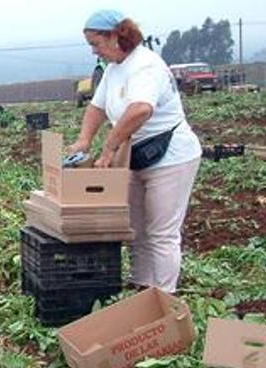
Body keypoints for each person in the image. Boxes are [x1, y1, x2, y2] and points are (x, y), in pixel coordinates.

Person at [67, 9, 202, 294]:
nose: (95, 51)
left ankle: (164, 297)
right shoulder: (115, 68)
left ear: (117, 36)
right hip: (136, 156)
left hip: (170, 157)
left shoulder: (145, 65)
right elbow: (97, 107)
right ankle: (141, 284)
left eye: (97, 43)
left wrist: (109, 147)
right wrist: (83, 140)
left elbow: (140, 109)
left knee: (161, 233)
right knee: (136, 228)